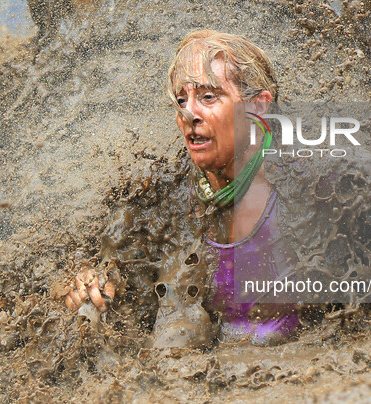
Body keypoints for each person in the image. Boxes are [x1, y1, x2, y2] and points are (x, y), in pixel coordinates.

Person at [65, 29, 299, 345]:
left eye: (207, 96)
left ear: (257, 107)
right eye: (181, 99)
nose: (189, 113)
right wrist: (91, 284)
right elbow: (114, 270)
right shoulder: (163, 199)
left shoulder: (310, 194)